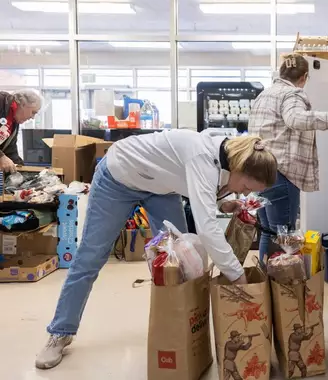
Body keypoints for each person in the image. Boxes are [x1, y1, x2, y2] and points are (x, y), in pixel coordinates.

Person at [35, 130, 278, 370]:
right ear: (239, 167)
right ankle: (60, 332)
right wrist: (238, 275)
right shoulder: (202, 157)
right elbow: (207, 228)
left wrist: (222, 203)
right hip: (118, 178)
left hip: (161, 189)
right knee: (90, 258)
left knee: (184, 259)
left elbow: (194, 183)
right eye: (246, 186)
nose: (245, 193)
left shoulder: (223, 157)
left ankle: (185, 334)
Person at [248, 53, 328, 262]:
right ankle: (283, 291)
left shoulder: (264, 95)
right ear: (305, 77)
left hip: (258, 172)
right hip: (280, 173)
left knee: (269, 234)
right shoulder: (293, 94)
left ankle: (267, 289)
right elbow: (296, 119)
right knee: (284, 238)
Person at [0, 89, 44, 172]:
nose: (32, 117)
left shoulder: (13, 121)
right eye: (33, 112)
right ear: (23, 104)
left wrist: (24, 173)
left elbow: (10, 151)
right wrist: (1, 157)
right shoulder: (1, 101)